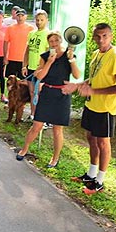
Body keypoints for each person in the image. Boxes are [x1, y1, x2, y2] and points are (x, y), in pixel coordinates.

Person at [62, 23, 116, 194]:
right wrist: (77, 86)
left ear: (111, 36)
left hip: (106, 107)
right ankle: (91, 174)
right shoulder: (96, 54)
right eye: (97, 36)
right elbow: (94, 79)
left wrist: (93, 91)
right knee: (90, 137)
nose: (101, 39)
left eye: (105, 36)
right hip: (92, 104)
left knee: (103, 142)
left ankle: (100, 181)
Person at [15, 31, 81, 167]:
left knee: (58, 129)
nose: (54, 43)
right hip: (47, 92)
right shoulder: (45, 56)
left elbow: (76, 75)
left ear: (61, 40)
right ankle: (24, 149)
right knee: (37, 125)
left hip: (62, 94)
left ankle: (55, 158)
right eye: (51, 41)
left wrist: (72, 60)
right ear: (48, 43)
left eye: (56, 40)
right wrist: (49, 62)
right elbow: (39, 76)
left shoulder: (69, 55)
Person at [23, 9, 49, 119]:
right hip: (31, 67)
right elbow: (27, 50)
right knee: (32, 92)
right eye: (37, 20)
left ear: (46, 21)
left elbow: (49, 54)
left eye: (41, 20)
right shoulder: (31, 34)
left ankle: (42, 116)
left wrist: (42, 68)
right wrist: (24, 65)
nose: (39, 22)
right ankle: (33, 114)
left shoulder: (48, 34)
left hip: (41, 69)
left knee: (40, 93)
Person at [3, 8, 33, 78]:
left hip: (23, 59)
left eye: (22, 15)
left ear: (26, 16)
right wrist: (5, 56)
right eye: (18, 16)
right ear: (15, 17)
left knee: (23, 80)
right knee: (10, 80)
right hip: (11, 58)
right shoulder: (10, 28)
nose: (20, 18)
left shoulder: (30, 28)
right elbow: (6, 42)